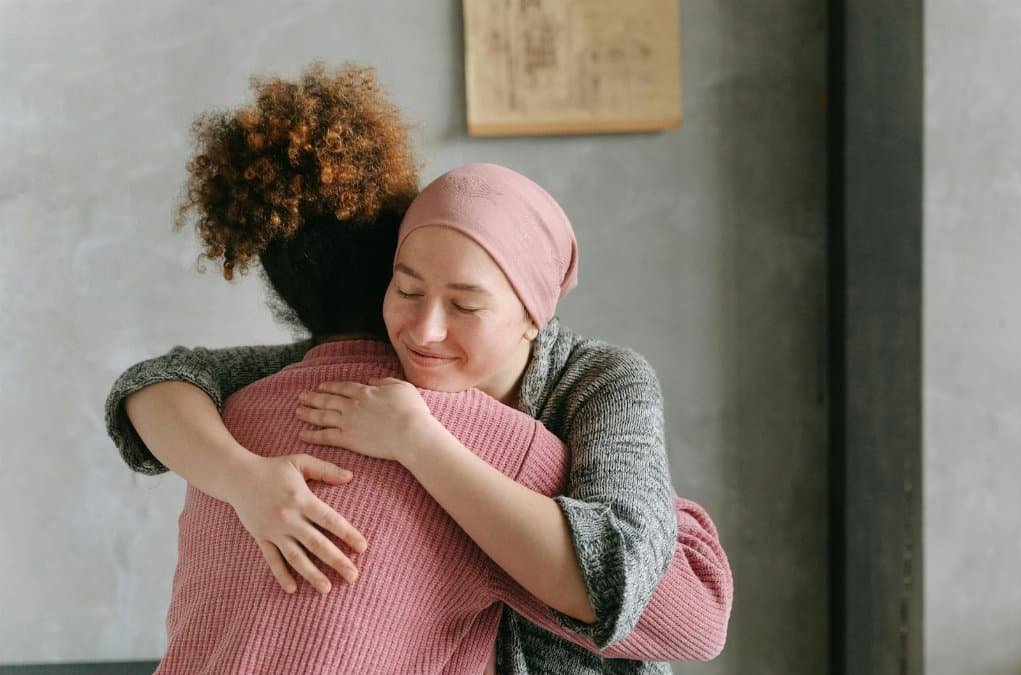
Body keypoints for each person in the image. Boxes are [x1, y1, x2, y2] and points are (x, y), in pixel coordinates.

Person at [106, 62, 731, 674]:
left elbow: (661, 596)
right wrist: (246, 480)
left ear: (533, 316)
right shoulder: (366, 374)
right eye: (406, 291)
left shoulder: (600, 382)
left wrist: (421, 442)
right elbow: (161, 381)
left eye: (465, 304)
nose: (425, 330)